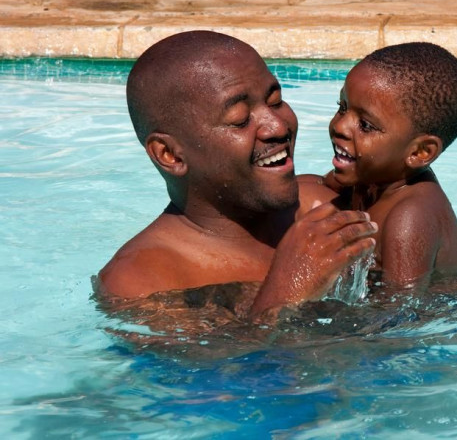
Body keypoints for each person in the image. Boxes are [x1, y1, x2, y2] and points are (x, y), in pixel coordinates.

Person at [96, 30, 377, 321]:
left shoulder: (321, 206)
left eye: (276, 101)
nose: (277, 126)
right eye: (240, 120)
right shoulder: (139, 282)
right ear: (170, 154)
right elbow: (220, 367)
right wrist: (286, 290)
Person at [298, 42, 457, 292]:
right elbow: (312, 187)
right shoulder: (372, 175)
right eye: (342, 107)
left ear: (419, 152)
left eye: (366, 126)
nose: (340, 126)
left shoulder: (409, 218)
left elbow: (399, 316)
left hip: (448, 317)